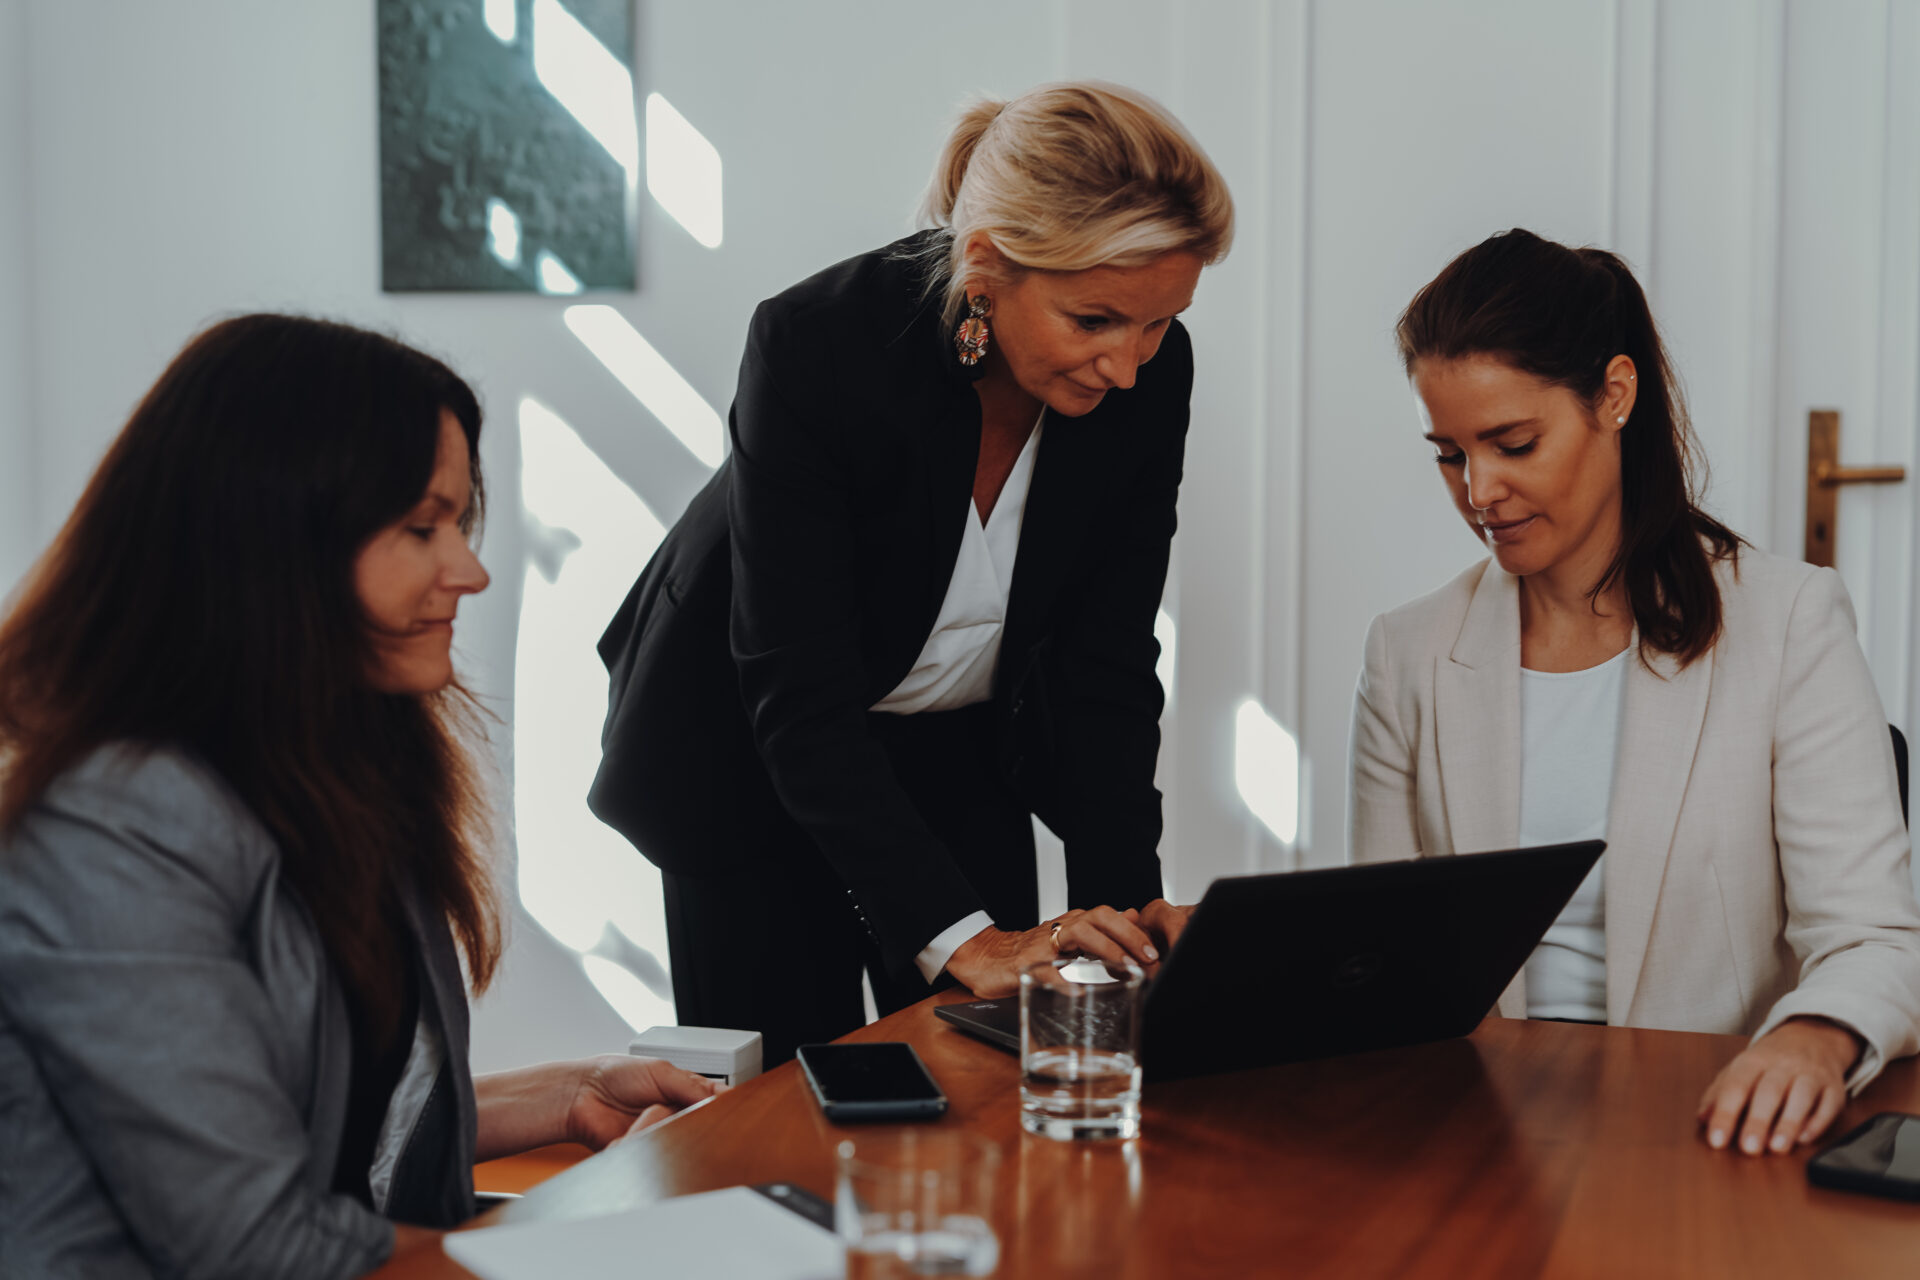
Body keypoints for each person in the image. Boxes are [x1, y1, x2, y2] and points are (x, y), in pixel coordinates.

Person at [0, 315, 717, 1279]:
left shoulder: (325, 767)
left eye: (459, 524)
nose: (470, 569)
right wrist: (592, 1254)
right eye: (421, 528)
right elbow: (255, 1240)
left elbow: (323, 1114)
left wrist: (568, 1089)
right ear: (269, 546)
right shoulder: (109, 833)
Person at [591, 81, 1234, 1065]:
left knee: (988, 1072)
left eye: (1157, 324)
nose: (1129, 367)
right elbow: (796, 693)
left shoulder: (1152, 380)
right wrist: (964, 938)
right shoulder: (818, 346)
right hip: (751, 758)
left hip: (957, 749)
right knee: (792, 1108)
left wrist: (1124, 919)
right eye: (1096, 319)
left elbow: (1104, 666)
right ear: (986, 267)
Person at [1347, 228, 1920, 1158]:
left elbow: (1875, 940)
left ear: (1615, 396)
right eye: (1449, 455)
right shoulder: (1407, 654)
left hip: (1707, 1124)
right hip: (1478, 1132)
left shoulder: (1789, 624)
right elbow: (1374, 962)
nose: (1479, 492)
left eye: (1513, 443)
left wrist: (1815, 1040)